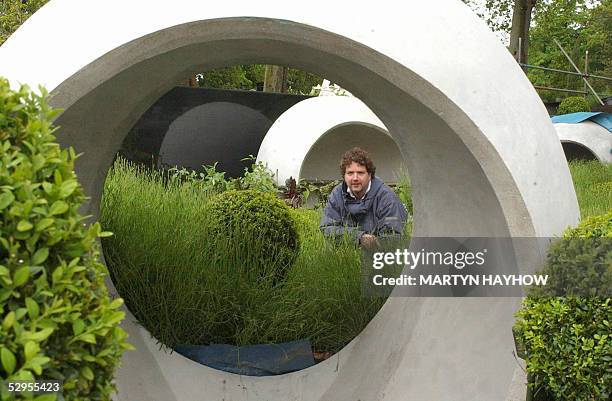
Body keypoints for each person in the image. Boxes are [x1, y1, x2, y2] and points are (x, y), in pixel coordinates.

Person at [320, 147, 408, 248]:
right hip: (343, 258)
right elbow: (327, 227)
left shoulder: (387, 198)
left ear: (370, 175)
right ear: (344, 175)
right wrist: (359, 238)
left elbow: (393, 238)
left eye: (360, 173)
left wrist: (373, 244)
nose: (355, 178)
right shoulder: (337, 195)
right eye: (350, 173)